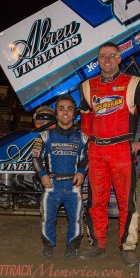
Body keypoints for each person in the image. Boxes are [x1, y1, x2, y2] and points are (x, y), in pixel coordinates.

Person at [79, 42, 140, 266]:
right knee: (95, 201)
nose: (107, 59)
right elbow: (86, 119)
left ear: (119, 59)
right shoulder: (87, 86)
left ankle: (127, 246)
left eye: (111, 56)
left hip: (122, 151)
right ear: (98, 61)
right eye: (102, 56)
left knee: (127, 202)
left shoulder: (134, 83)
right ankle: (97, 243)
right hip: (96, 151)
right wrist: (87, 146)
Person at [32, 94, 88, 260]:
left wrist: (81, 172)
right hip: (52, 185)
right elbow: (36, 157)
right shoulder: (45, 136)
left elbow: (87, 158)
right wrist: (42, 175)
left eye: (69, 109)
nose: (65, 112)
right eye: (61, 109)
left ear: (74, 114)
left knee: (76, 220)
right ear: (56, 114)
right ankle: (49, 245)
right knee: (47, 219)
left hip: (73, 186)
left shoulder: (83, 138)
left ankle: (72, 246)